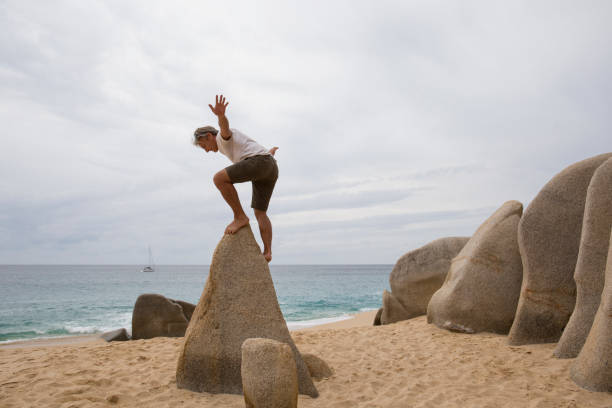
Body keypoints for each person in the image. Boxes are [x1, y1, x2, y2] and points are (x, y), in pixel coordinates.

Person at [193, 95, 279, 262]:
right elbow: (256, 150)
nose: (206, 150)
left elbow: (224, 128)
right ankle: (267, 252)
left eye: (204, 145)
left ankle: (240, 216)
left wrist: (220, 116)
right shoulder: (232, 142)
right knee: (260, 212)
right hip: (270, 167)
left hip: (261, 162)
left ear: (209, 136)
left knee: (219, 179)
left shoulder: (221, 138)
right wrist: (270, 153)